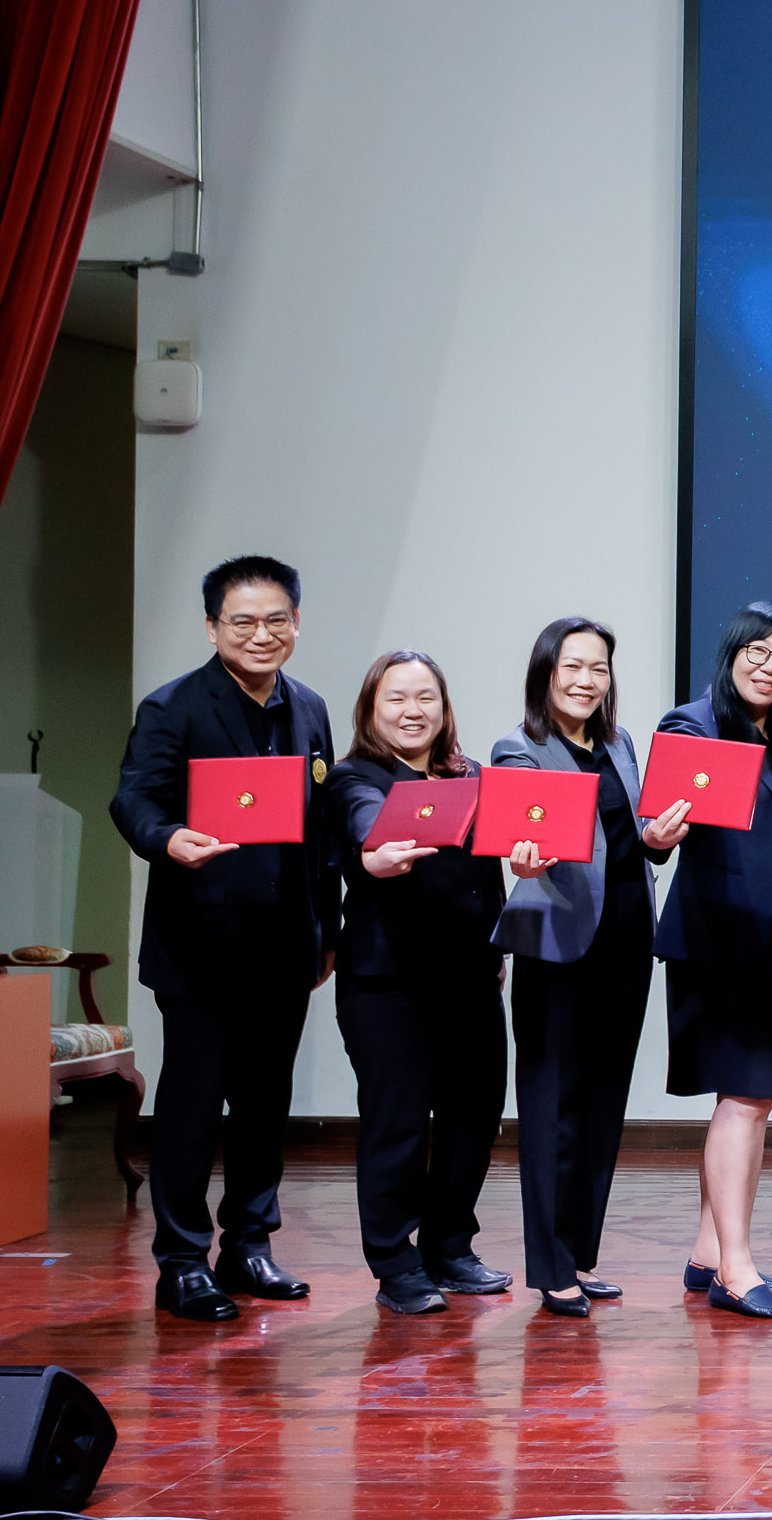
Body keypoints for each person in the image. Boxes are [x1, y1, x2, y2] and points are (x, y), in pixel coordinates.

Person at [109, 554, 340, 1323]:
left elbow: (322, 835)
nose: (261, 634)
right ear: (212, 627)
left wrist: (326, 929)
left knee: (266, 1104)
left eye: (277, 619)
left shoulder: (309, 710)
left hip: (284, 945)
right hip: (200, 946)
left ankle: (248, 1243)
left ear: (297, 625)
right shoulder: (172, 708)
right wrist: (168, 837)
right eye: (243, 621)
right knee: (192, 1105)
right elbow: (133, 799)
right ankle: (181, 1261)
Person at [652, 602, 772, 1321]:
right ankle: (735, 1267)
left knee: (753, 1100)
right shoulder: (692, 725)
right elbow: (660, 829)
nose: (770, 665)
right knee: (743, 1097)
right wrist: (658, 835)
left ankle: (707, 1253)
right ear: (729, 656)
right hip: (722, 941)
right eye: (756, 651)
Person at [488, 616, 665, 1318]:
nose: (587, 680)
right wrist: (522, 854)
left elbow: (635, 841)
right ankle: (550, 1264)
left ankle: (582, 1255)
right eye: (573, 667)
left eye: (599, 668)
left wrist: (658, 839)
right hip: (557, 945)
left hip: (625, 939)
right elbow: (519, 837)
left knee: (602, 1104)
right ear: (546, 673)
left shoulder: (621, 744)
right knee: (551, 1108)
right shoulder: (520, 748)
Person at [324, 650, 509, 1315]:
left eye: (425, 697)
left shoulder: (474, 776)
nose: (413, 710)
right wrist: (377, 852)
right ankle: (395, 1261)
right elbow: (365, 826)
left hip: (472, 981)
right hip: (388, 987)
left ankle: (449, 1248)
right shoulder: (354, 778)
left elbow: (496, 866)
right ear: (372, 710)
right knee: (397, 1125)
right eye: (396, 698)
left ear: (444, 707)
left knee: (473, 1120)